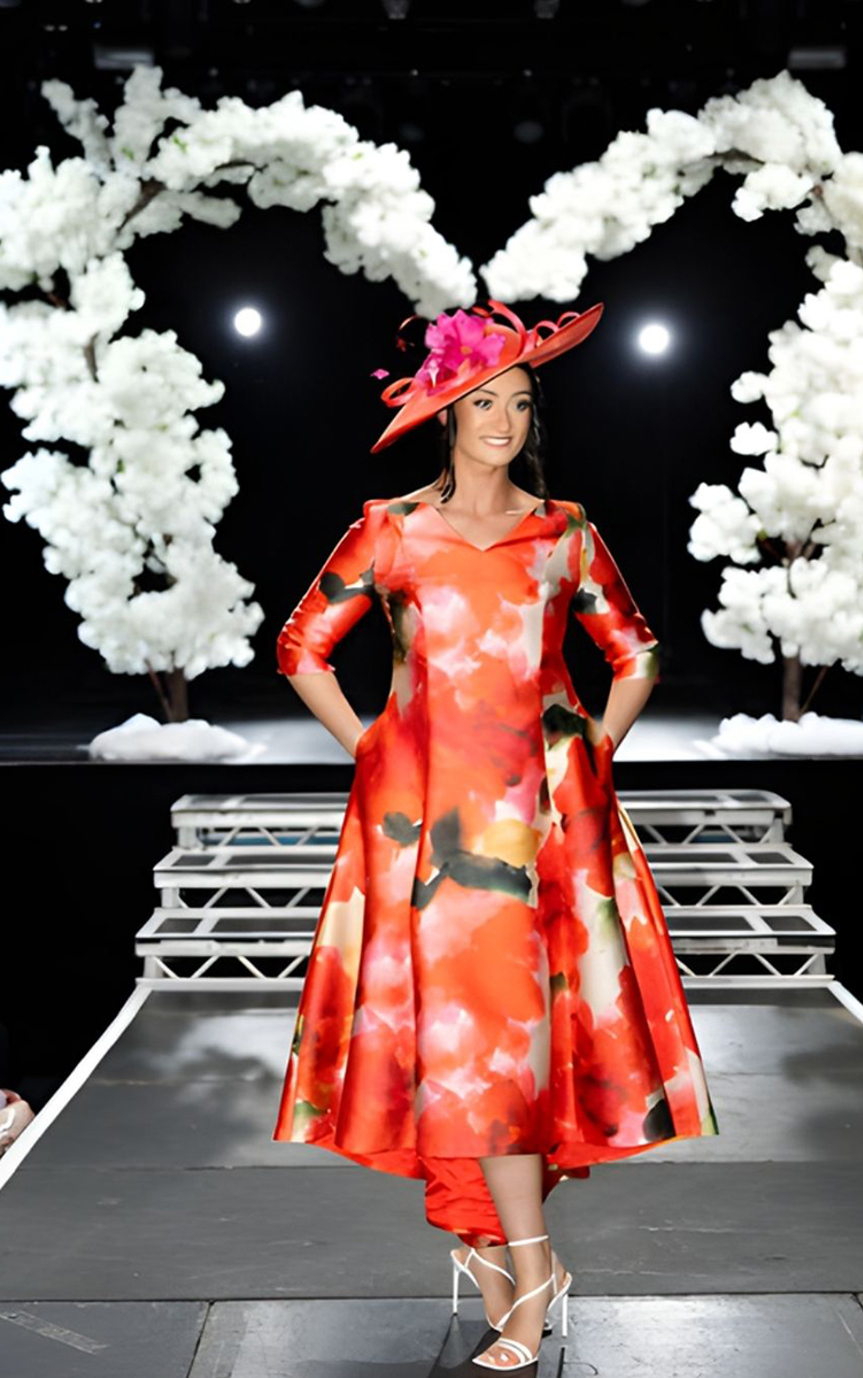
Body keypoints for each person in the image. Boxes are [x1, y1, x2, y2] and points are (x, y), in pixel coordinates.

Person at [272, 299, 719, 1370]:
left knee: (501, 1055)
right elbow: (300, 645)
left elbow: (637, 654)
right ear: (447, 414)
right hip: (426, 834)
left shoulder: (563, 532)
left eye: (520, 403)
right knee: (447, 1052)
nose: (503, 421)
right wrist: (372, 745)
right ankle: (506, 1259)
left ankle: (525, 1271)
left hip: (538, 835)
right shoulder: (393, 528)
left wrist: (588, 750)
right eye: (483, 403)